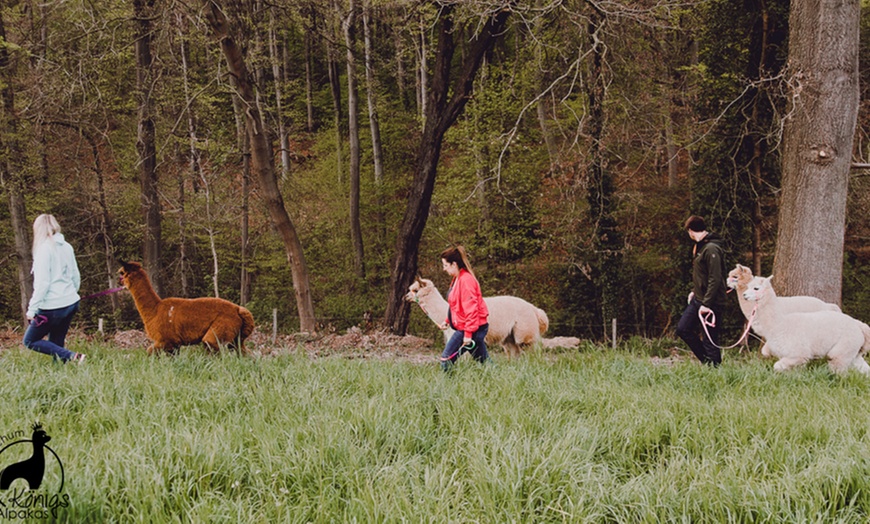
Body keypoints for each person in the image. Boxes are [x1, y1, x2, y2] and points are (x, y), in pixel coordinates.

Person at [23, 214, 85, 364]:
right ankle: (60, 372)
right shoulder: (67, 246)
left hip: (52, 306)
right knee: (57, 341)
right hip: (70, 303)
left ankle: (73, 356)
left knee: (30, 340)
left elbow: (42, 284)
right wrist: (71, 294)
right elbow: (75, 275)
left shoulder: (43, 249)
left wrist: (32, 310)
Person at [675, 215, 727, 366]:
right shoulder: (701, 247)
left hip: (711, 302)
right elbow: (702, 274)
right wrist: (694, 290)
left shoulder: (711, 249)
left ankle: (714, 369)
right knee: (683, 329)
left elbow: (715, 278)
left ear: (691, 231)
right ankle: (707, 362)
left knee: (710, 339)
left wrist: (706, 304)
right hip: (698, 298)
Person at [438, 245, 490, 371]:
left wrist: (468, 334)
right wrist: (448, 320)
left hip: (472, 329)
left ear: (454, 264)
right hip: (469, 327)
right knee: (484, 362)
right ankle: (499, 377)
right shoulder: (457, 279)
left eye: (445, 265)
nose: (444, 269)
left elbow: (471, 310)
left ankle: (448, 383)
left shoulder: (466, 280)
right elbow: (456, 305)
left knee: (446, 360)